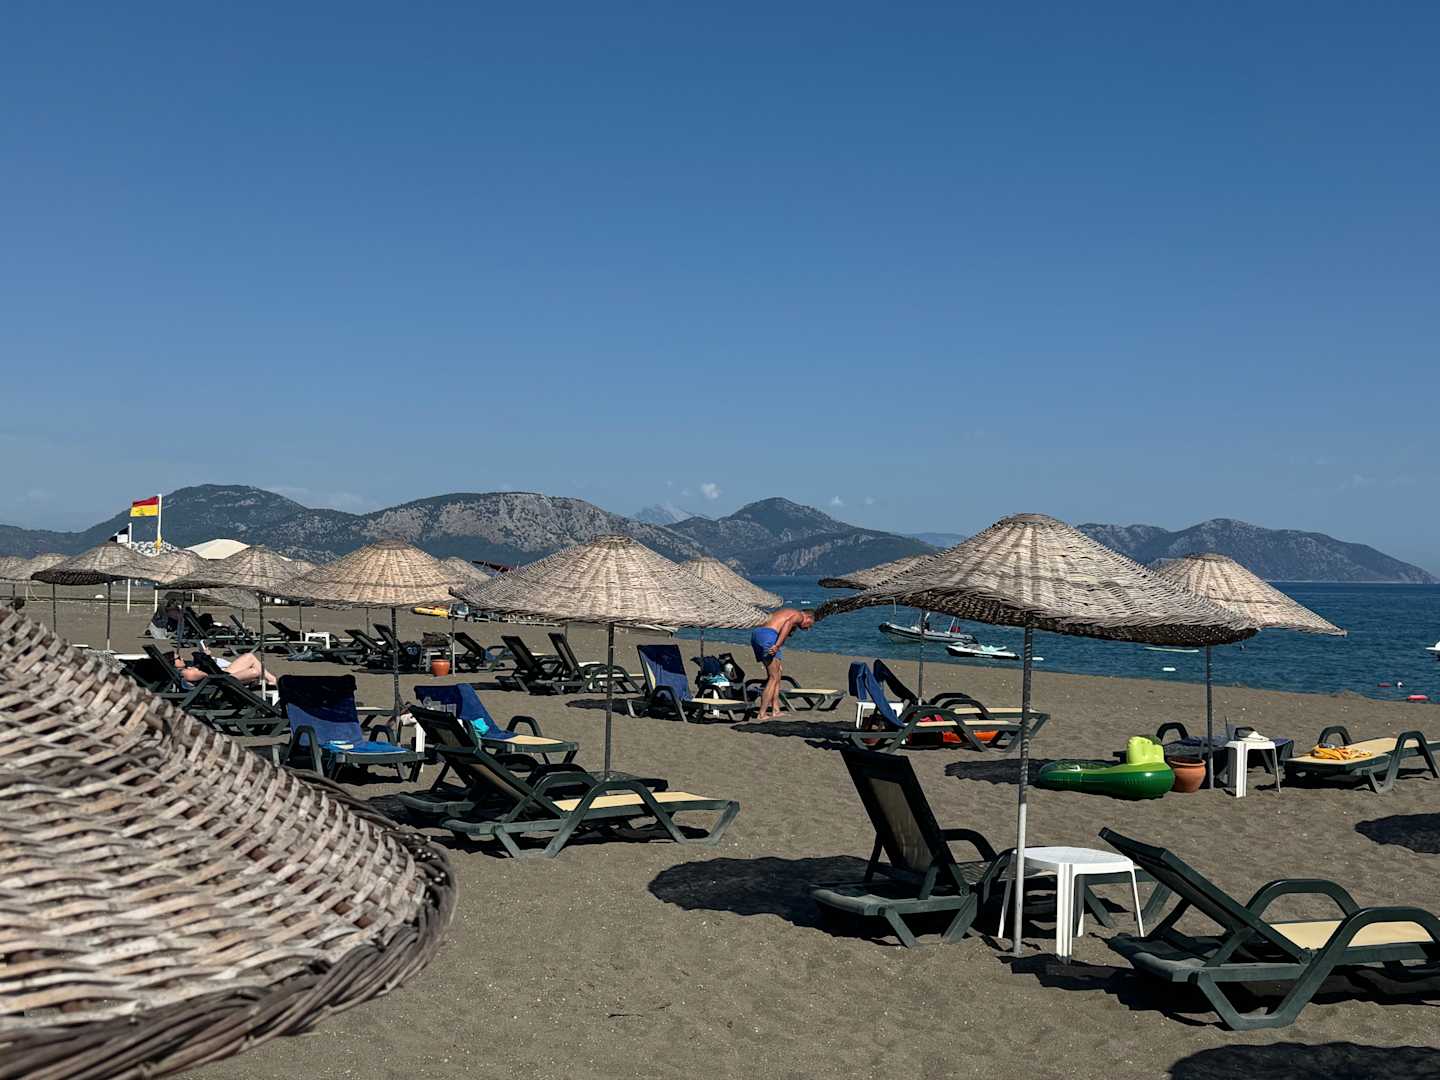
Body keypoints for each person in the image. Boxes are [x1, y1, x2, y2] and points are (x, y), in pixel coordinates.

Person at [750, 608, 815, 720]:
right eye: (810, 624)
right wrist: (777, 646)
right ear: (808, 617)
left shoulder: (787, 613)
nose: (808, 628)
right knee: (773, 677)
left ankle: (775, 710)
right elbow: (788, 624)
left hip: (758, 634)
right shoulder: (799, 615)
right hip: (768, 635)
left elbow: (784, 627)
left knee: (777, 673)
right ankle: (762, 713)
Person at [169, 649, 277, 689]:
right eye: (178, 658)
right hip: (220, 680)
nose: (181, 658)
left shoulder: (183, 671)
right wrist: (201, 666)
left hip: (221, 676)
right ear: (173, 663)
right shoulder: (185, 673)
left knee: (249, 656)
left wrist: (206, 659)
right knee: (255, 671)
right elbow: (205, 675)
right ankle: (271, 680)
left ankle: (271, 680)